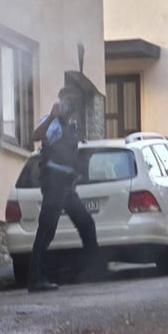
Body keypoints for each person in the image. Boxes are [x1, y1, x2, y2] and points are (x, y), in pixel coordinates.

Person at [27, 87, 100, 293]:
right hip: (53, 183)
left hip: (66, 185)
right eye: (66, 102)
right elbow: (35, 136)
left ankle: (92, 270)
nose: (70, 106)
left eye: (73, 102)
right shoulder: (53, 124)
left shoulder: (70, 127)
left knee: (86, 223)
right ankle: (35, 278)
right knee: (46, 230)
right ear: (60, 103)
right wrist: (51, 116)